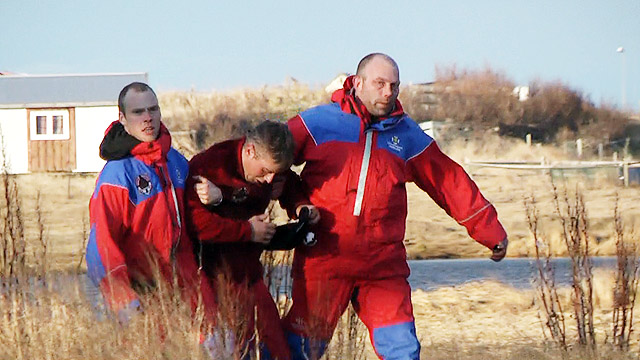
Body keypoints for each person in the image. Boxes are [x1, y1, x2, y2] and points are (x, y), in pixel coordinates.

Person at [282, 53, 509, 360]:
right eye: (380, 84)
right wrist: (295, 203)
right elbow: (268, 162)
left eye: (394, 86)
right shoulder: (317, 123)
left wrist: (489, 230)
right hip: (324, 259)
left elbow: (448, 181)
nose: (388, 92)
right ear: (358, 82)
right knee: (299, 350)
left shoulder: (408, 136)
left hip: (382, 268)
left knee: (403, 351)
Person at [85, 82, 216, 328]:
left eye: (153, 109)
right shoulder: (116, 175)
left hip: (187, 289)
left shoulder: (176, 162)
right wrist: (125, 302)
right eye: (138, 112)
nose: (147, 118)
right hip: (142, 295)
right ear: (122, 118)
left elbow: (197, 226)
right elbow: (100, 248)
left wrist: (216, 197)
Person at [186, 120, 320, 360]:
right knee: (235, 351)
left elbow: (287, 182)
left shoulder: (271, 169)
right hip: (214, 279)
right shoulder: (211, 166)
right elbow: (198, 225)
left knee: (279, 351)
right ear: (249, 151)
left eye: (274, 174)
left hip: (250, 274)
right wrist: (248, 231)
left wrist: (300, 206)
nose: (269, 180)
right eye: (265, 171)